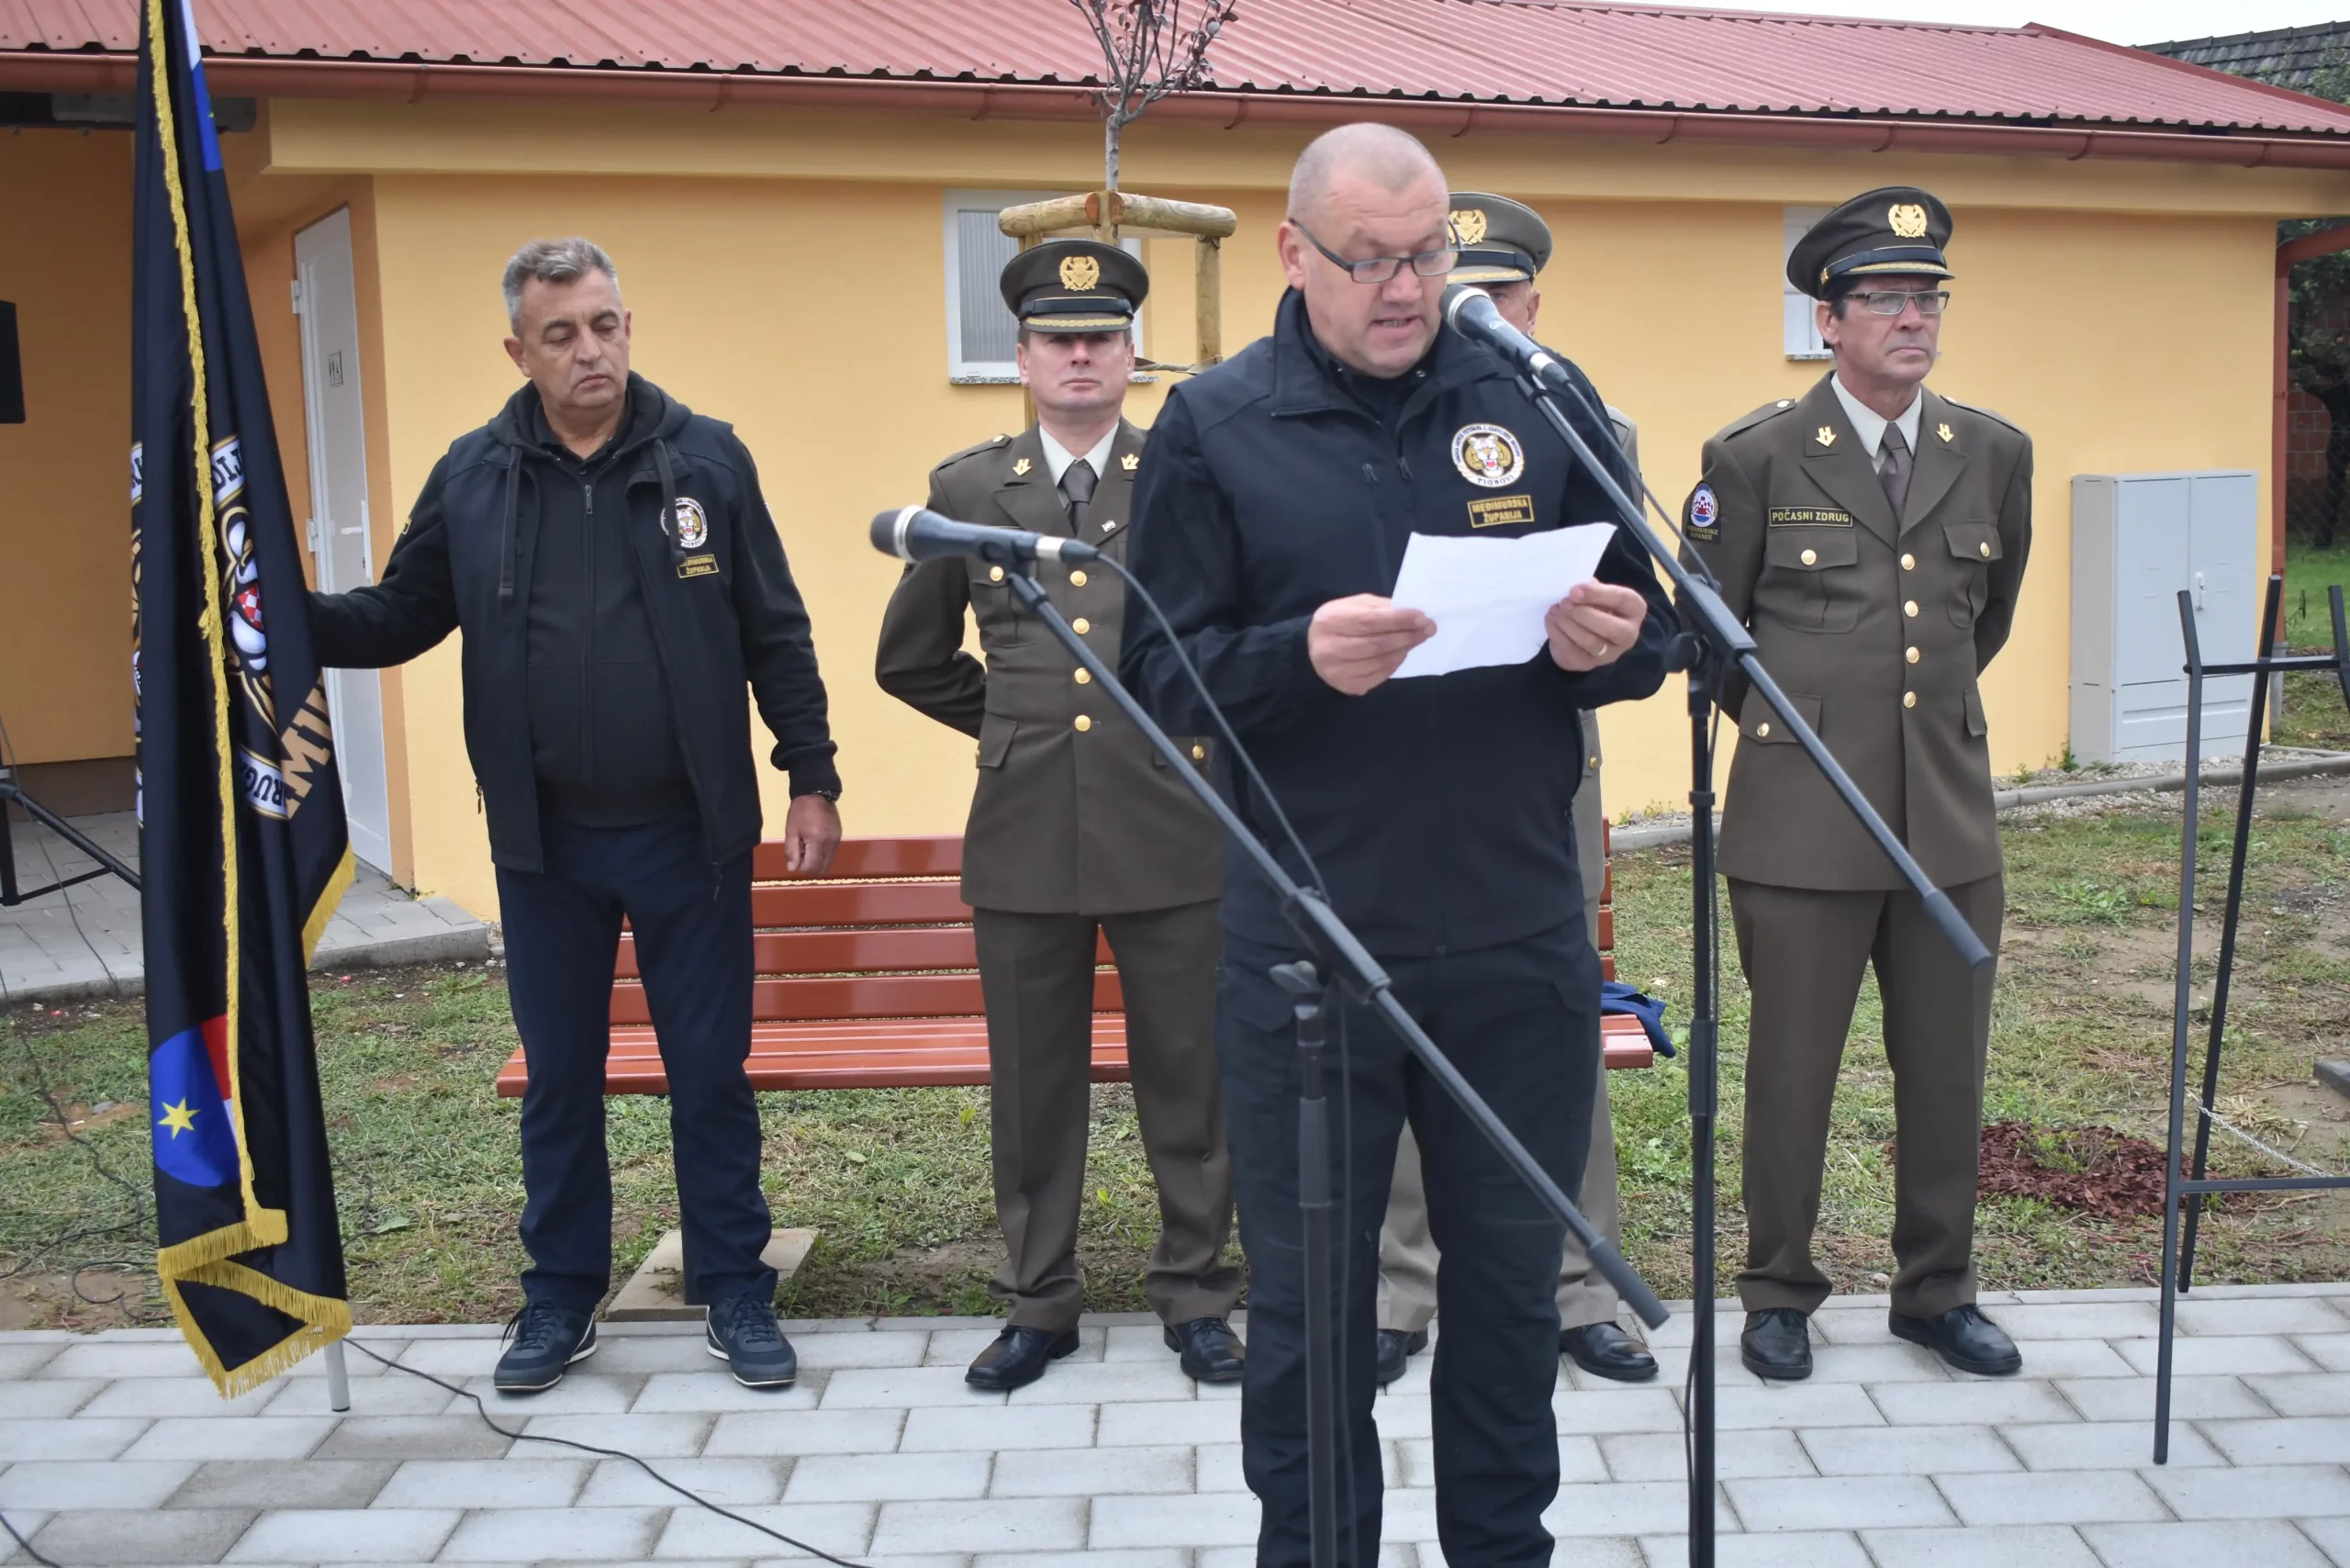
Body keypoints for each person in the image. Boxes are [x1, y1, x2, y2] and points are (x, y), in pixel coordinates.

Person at [1123, 125, 1673, 1568]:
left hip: (1516, 944)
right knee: (1310, 1312)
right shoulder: (1216, 424)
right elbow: (1158, 676)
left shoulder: (1534, 392)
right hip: (1313, 954)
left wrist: (1608, 644)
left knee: (1504, 1299)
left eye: (1428, 251)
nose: (1407, 284)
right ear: (1295, 252)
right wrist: (1298, 657)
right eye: (1371, 258)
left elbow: (1658, 622)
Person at [309, 238, 843, 1394]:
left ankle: (735, 1285)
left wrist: (811, 773)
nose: (589, 349)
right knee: (561, 1073)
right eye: (561, 334)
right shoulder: (473, 475)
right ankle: (557, 1298)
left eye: (604, 324)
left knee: (708, 1067)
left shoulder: (707, 460)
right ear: (519, 349)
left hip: (689, 832)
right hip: (544, 841)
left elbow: (774, 630)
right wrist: (282, 618)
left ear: (625, 324)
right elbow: (401, 613)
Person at [876, 241, 1244, 1394]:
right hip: (1026, 824)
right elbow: (911, 658)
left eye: (1099, 336)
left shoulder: (1186, 476)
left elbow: (1232, 641)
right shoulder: (969, 491)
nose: (1078, 354)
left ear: (1132, 353)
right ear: (1022, 358)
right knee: (1034, 1079)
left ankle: (1195, 1291)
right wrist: (1013, 725)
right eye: (1054, 338)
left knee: (1189, 1072)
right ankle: (1040, 1301)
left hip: (1171, 821)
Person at [1683, 187, 2031, 1382]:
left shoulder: (1992, 451)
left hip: (1946, 817)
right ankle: (1779, 1290)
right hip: (1799, 826)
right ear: (1825, 319)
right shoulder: (1754, 456)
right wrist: (1810, 733)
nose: (1912, 318)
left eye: (1927, 296)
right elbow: (1716, 639)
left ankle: (1937, 1291)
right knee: (1791, 1072)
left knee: (1946, 1071)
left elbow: (1982, 622)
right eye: (1883, 298)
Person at [1372, 191, 1658, 1390]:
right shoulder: (1357, 423)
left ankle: (1574, 1280)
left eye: (1502, 298)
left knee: (1555, 1025)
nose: (1475, 318)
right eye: (1457, 295)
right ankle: (1400, 1285)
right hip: (1391, 771)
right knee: (1390, 1013)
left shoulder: (1585, 419)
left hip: (1538, 771)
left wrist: (1614, 636)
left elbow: (1645, 622)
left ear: (1533, 306)